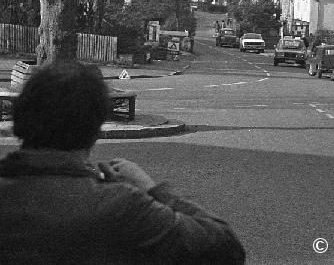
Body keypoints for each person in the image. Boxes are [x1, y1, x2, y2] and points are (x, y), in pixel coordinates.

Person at [0, 61, 245, 264]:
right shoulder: (120, 205)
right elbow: (224, 248)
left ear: (20, 117)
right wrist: (152, 189)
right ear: (95, 129)